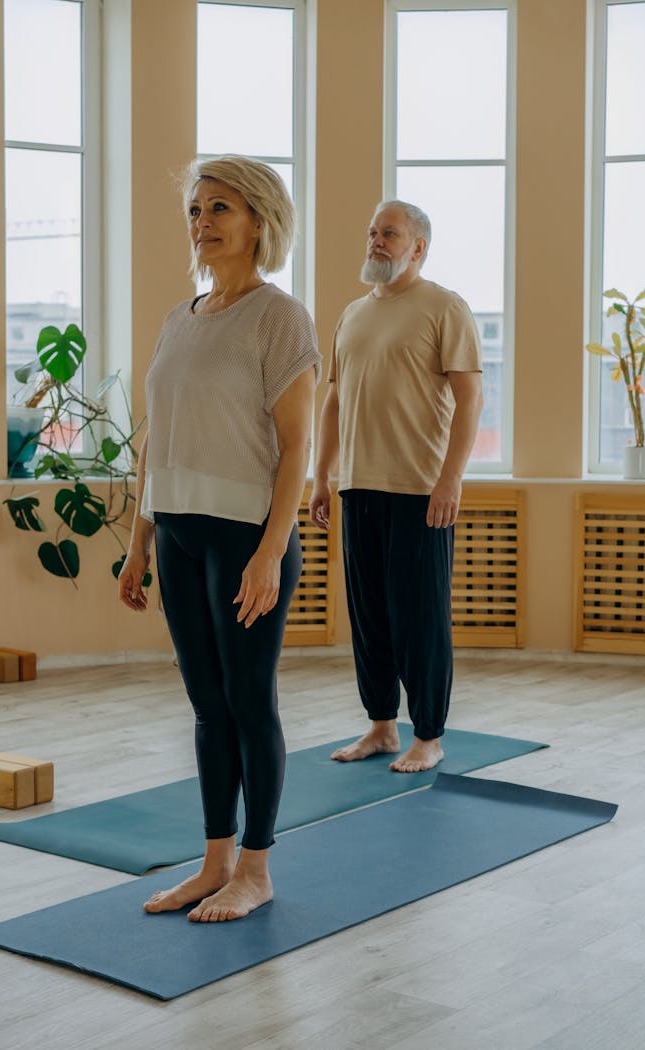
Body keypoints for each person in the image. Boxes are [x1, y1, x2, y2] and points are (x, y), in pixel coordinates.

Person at [118, 155, 321, 922]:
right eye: (197, 210)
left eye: (220, 208)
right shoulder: (181, 317)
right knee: (207, 708)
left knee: (248, 700)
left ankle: (258, 870)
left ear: (259, 221)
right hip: (177, 533)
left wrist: (271, 551)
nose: (203, 223)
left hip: (245, 540)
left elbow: (295, 447)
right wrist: (139, 543)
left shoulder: (280, 316)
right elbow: (155, 441)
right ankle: (214, 863)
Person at [309, 199, 483, 773]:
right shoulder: (353, 313)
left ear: (418, 246)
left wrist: (450, 479)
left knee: (420, 619)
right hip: (358, 487)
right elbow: (333, 401)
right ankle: (382, 728)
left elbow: (469, 397)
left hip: (419, 489)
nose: (376, 241)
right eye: (372, 232)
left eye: (389, 233)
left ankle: (428, 736)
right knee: (370, 617)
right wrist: (320, 476)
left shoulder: (443, 308)